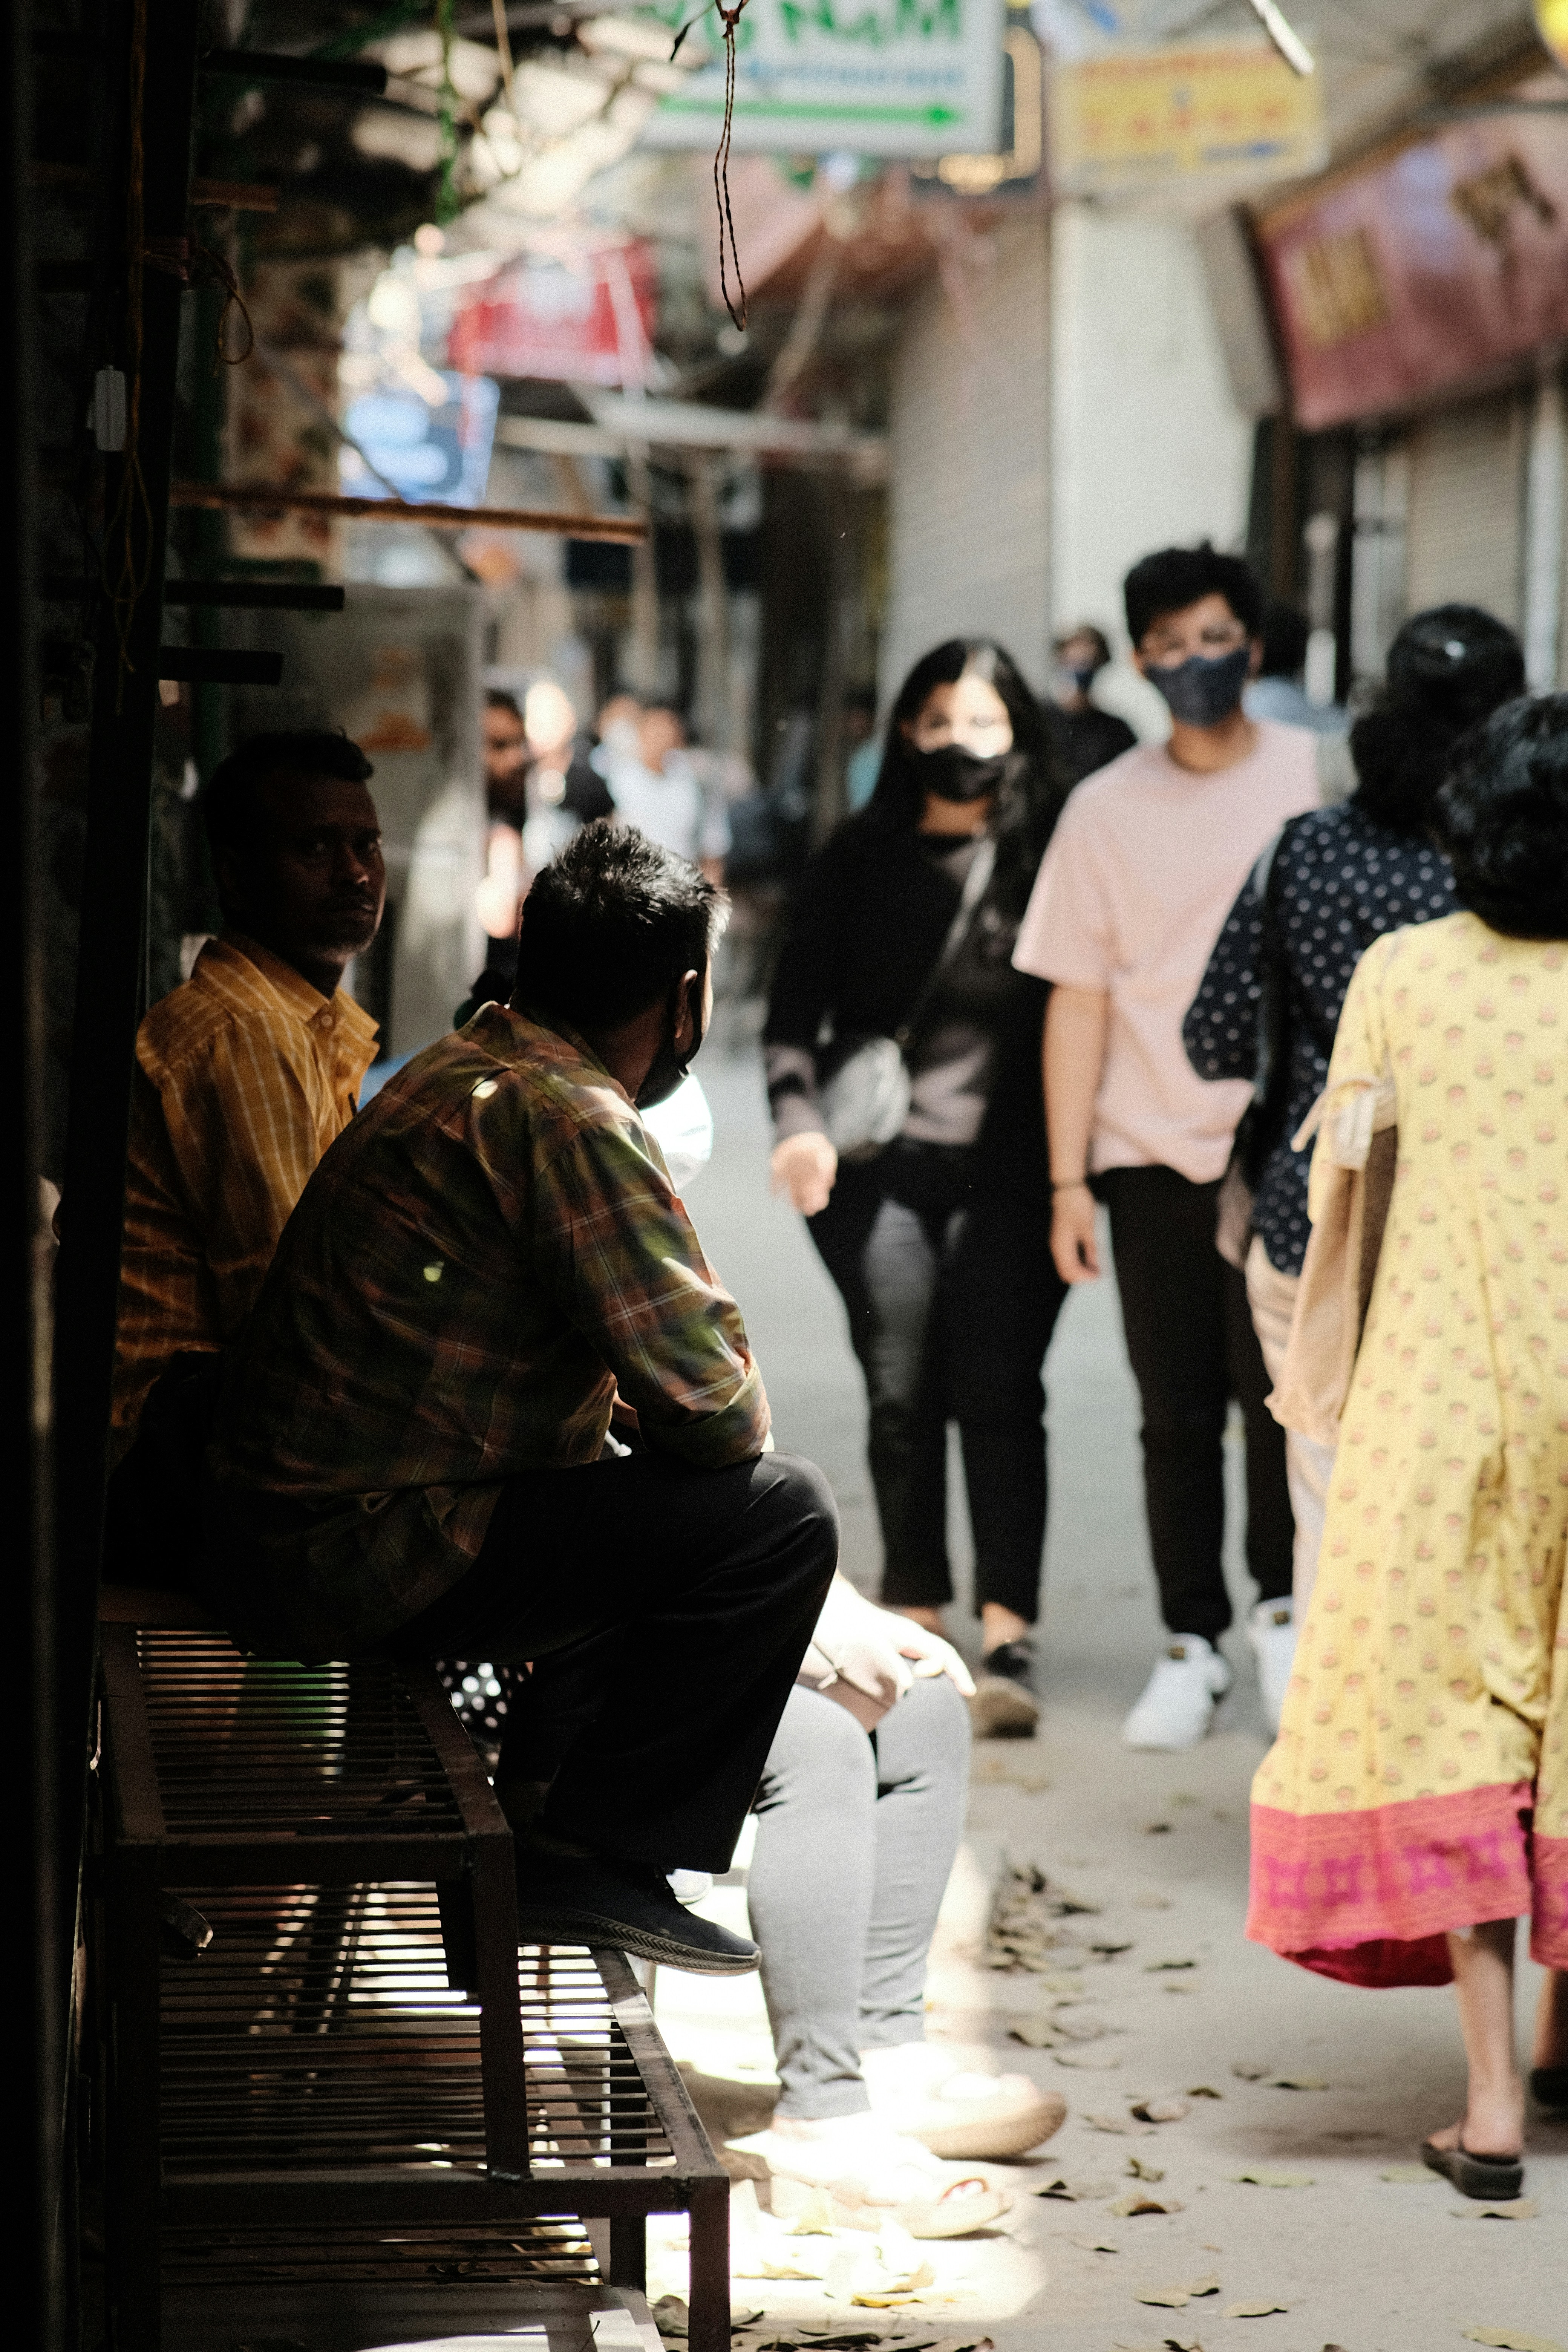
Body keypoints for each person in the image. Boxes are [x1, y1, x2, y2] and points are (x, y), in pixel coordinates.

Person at [202, 819, 838, 1974]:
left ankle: (558, 1807)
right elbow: (721, 1413)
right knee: (781, 1515)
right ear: (685, 1000)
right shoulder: (566, 1114)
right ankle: (591, 1856)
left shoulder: (472, 1059)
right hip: (353, 1548)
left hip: (308, 1517)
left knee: (633, 1483)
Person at [1248, 694, 1568, 2200]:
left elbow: (1344, 1215)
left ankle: (1490, 2107)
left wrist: (1324, 1389)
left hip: (1445, 1394)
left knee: (1453, 1722)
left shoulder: (1403, 974)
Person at [1015, 544, 1317, 1751]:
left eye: (1215, 637)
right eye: (1171, 645)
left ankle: (1289, 1620)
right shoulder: (1104, 809)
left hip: (1292, 1151)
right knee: (1175, 1408)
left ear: (1253, 638)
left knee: (1285, 1400)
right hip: (1144, 1153)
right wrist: (1065, 1180)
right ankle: (1191, 1641)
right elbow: (1076, 998)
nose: (1196, 663)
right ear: (1137, 658)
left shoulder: (1316, 774)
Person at [1184, 606, 1525, 1652]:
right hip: (1487, 1237)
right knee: (1475, 1520)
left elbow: (1214, 1038)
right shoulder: (1513, 884)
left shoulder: (1304, 851)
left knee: (1328, 1501)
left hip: (1315, 1221)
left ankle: (1327, 1766)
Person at [765, 639, 1072, 1738]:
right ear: (905, 732)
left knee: (998, 1390)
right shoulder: (859, 856)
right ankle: (916, 1609)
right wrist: (798, 1128)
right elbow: (791, 1013)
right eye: (938, 721)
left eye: (983, 722)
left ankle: (1010, 1629)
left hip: (1020, 1177)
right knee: (903, 1395)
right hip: (878, 1170)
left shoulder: (1052, 855)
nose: (960, 743)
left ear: (1020, 733)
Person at [112, 729, 384, 1470]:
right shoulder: (247, 1031)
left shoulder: (304, 1026)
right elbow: (295, 1323)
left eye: (367, 845)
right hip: (168, 1456)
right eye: (317, 849)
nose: (356, 874)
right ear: (235, 874)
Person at [596, 701, 731, 883]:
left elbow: (713, 851)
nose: (659, 739)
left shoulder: (696, 783)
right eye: (653, 730)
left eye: (666, 731)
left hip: (681, 892)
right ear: (640, 733)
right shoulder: (615, 779)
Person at [1045, 624, 1136, 786]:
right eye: (1075, 660)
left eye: (1089, 661)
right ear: (1061, 659)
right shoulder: (1038, 720)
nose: (1082, 667)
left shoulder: (1117, 732)